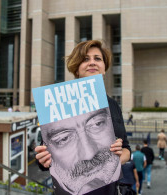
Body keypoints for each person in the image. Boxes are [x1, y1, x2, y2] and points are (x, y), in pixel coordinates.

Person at [35, 40, 131, 195]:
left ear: (104, 69)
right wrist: (43, 159)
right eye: (85, 59)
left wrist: (115, 158)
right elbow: (45, 160)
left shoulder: (113, 105)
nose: (92, 62)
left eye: (97, 58)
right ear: (77, 69)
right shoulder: (60, 102)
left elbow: (127, 149)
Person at [41, 108, 121, 194]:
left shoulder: (111, 105)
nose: (89, 154)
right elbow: (43, 162)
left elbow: (126, 149)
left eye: (97, 124)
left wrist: (120, 152)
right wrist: (44, 160)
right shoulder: (48, 111)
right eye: (64, 138)